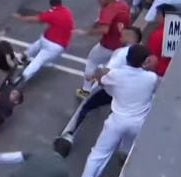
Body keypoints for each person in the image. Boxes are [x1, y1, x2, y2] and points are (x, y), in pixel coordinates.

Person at [71, 44, 159, 177]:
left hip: (118, 120)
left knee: (99, 153)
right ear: (144, 61)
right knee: (129, 145)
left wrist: (102, 71)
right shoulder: (151, 78)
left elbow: (99, 77)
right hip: (139, 122)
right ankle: (124, 155)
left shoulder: (116, 75)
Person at [54, 26, 143, 154]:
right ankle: (124, 149)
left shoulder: (121, 53)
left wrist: (92, 76)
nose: (120, 37)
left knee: (85, 107)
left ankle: (68, 135)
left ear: (130, 37)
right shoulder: (141, 53)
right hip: (126, 93)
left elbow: (105, 71)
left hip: (109, 89)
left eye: (123, 35)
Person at [75, 0, 131, 98]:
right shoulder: (123, 5)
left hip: (108, 45)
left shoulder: (108, 10)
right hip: (122, 44)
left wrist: (86, 33)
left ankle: (86, 90)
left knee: (92, 61)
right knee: (112, 68)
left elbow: (104, 29)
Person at [12, 0, 75, 86]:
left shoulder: (51, 13)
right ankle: (24, 56)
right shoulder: (67, 12)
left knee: (38, 60)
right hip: (58, 45)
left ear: (51, 4)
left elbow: (36, 19)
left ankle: (22, 76)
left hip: (50, 44)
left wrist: (21, 18)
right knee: (37, 45)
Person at [147, 3, 176, 78]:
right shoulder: (180, 32)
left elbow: (153, 57)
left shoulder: (158, 34)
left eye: (158, 14)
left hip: (159, 72)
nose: (156, 17)